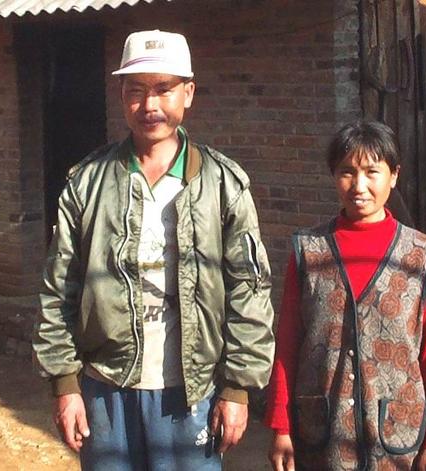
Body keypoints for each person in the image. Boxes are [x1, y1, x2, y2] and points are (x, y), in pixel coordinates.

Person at [33, 29, 275, 471]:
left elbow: (250, 290)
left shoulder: (223, 185)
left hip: (193, 388)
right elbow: (59, 287)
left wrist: (238, 389)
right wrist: (65, 385)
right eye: (136, 91)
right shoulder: (86, 183)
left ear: (188, 93)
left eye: (164, 89)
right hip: (104, 387)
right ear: (121, 95)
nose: (150, 106)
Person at [265, 120, 426, 470]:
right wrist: (281, 427)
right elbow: (288, 344)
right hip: (321, 433)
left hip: (398, 438)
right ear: (333, 175)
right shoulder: (308, 251)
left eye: (372, 172)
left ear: (393, 175)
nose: (359, 186)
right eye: (347, 172)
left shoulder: (421, 256)